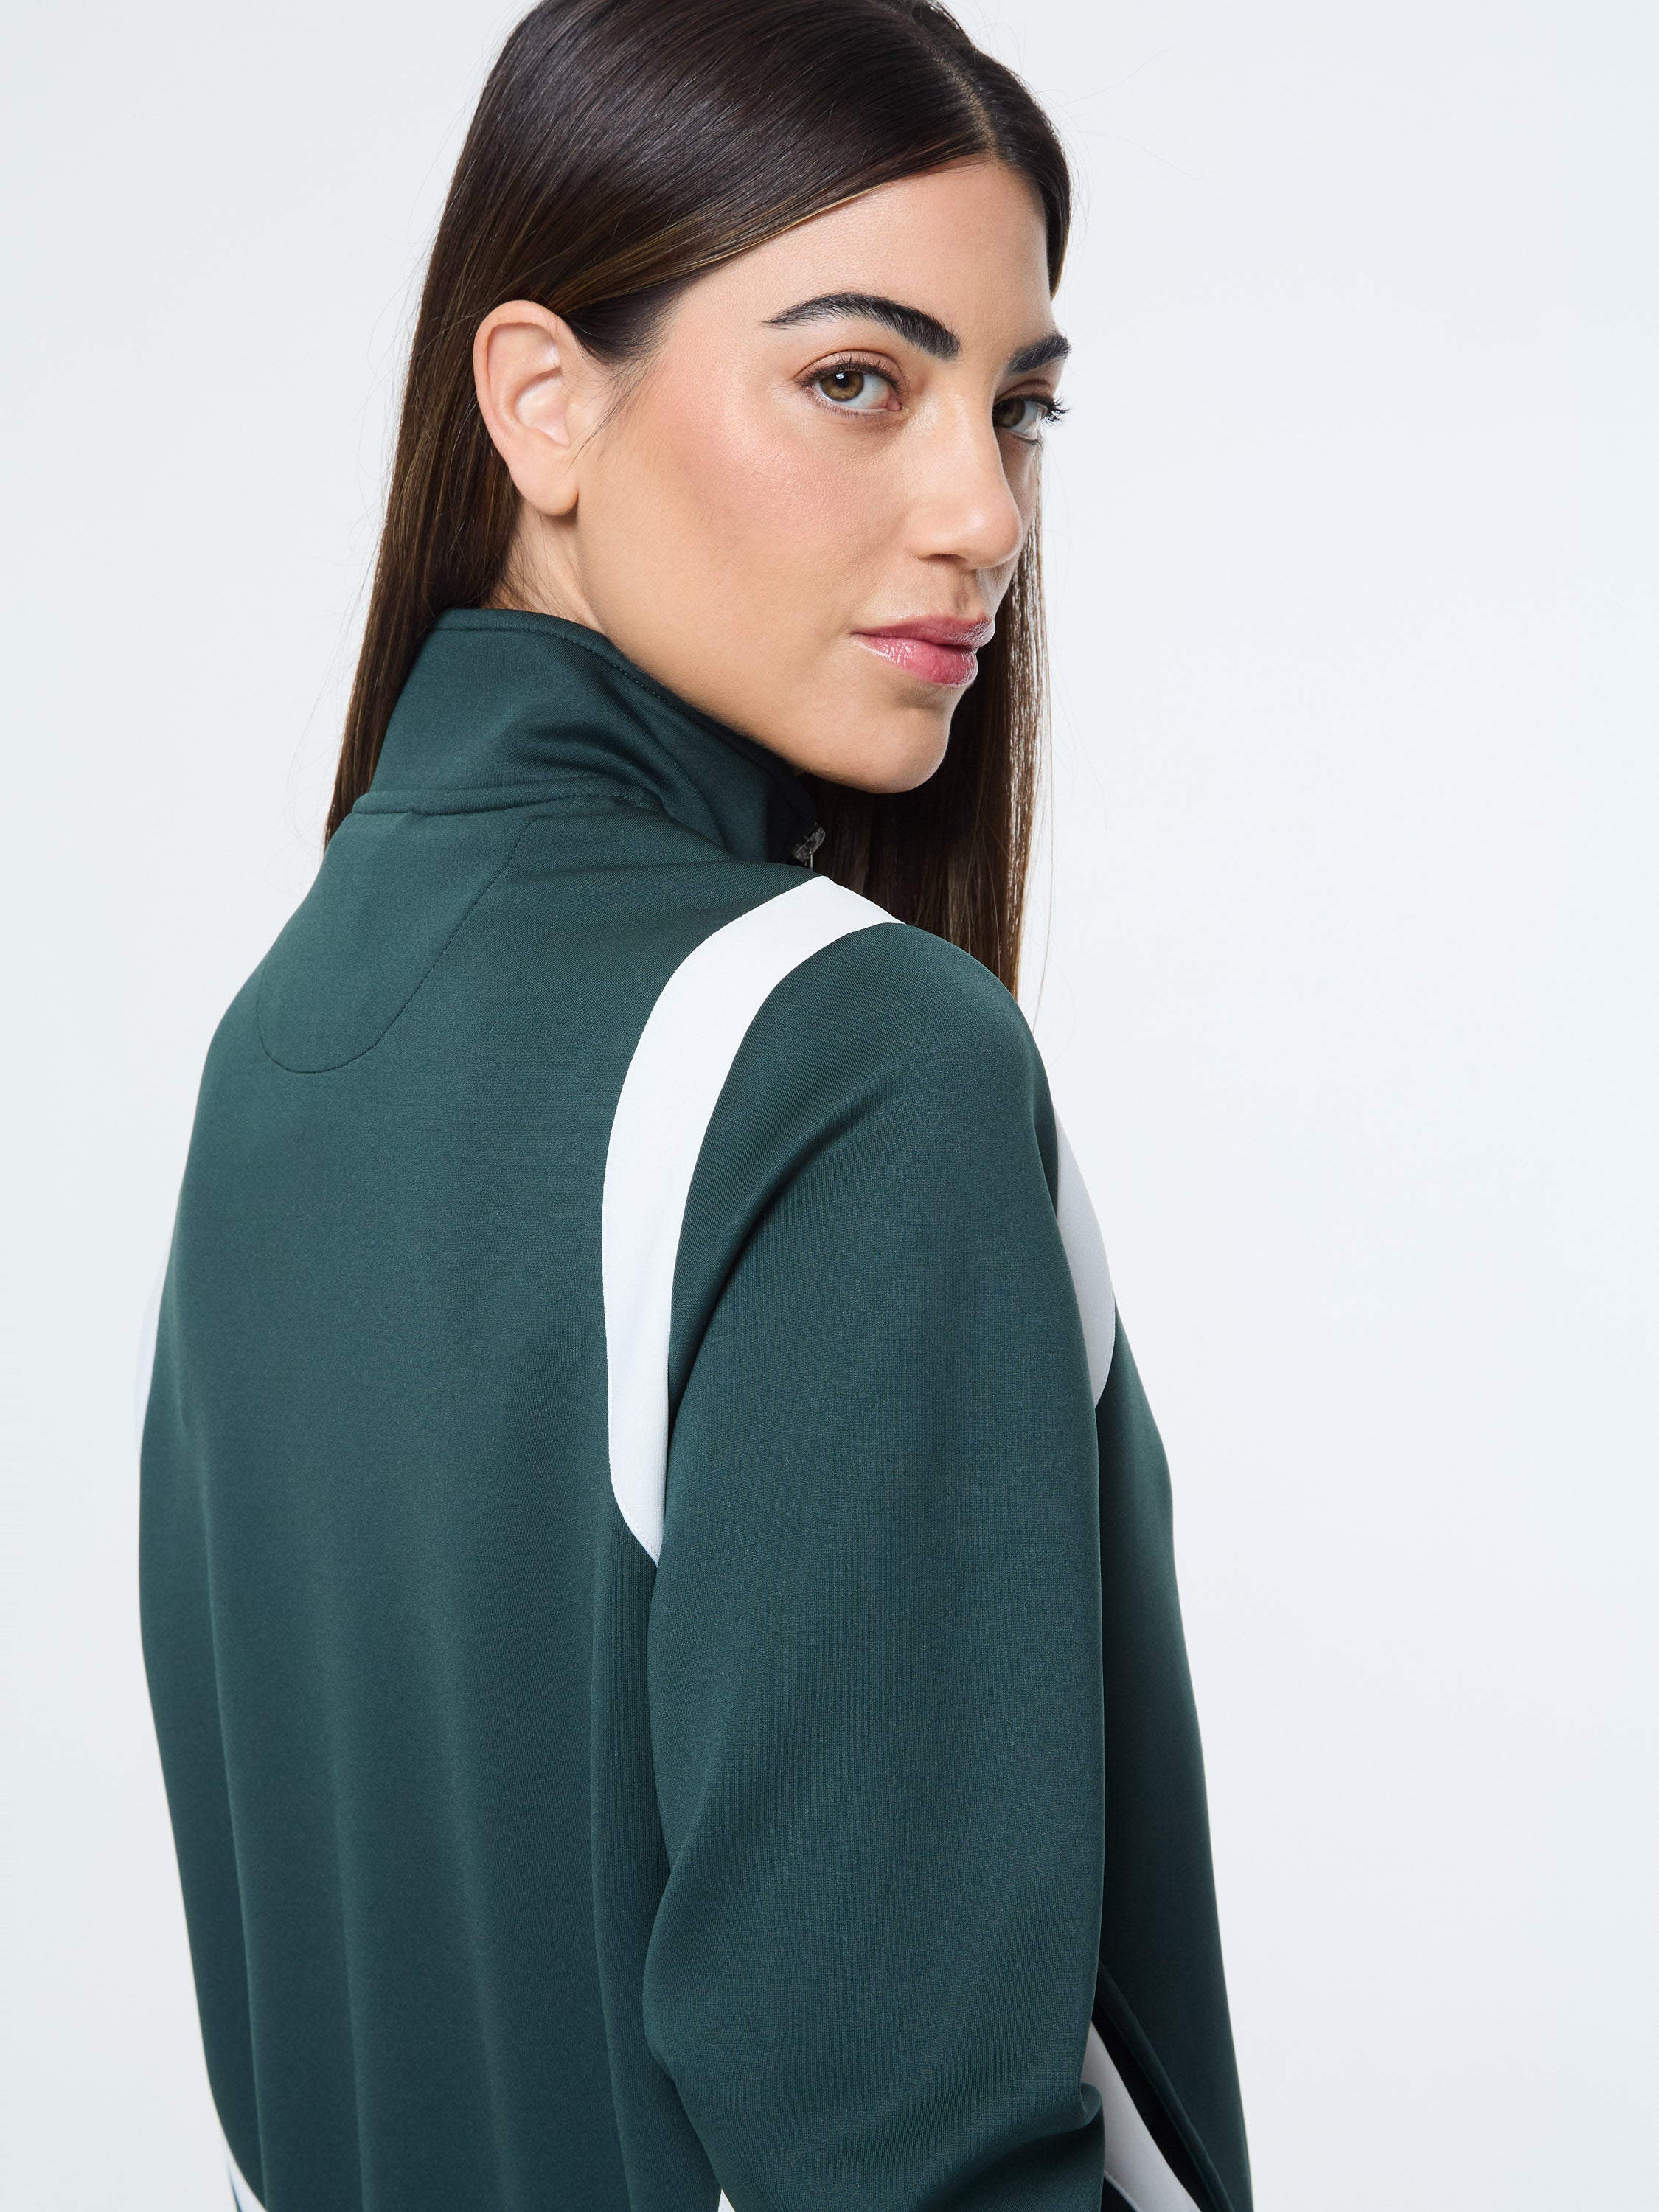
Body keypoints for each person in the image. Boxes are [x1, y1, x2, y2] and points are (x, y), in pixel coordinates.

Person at [138, 4, 1253, 2209]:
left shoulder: (282, 1043)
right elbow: (905, 2147)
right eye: (856, 379)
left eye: (1018, 405)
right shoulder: (849, 1056)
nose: (983, 511)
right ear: (543, 402)